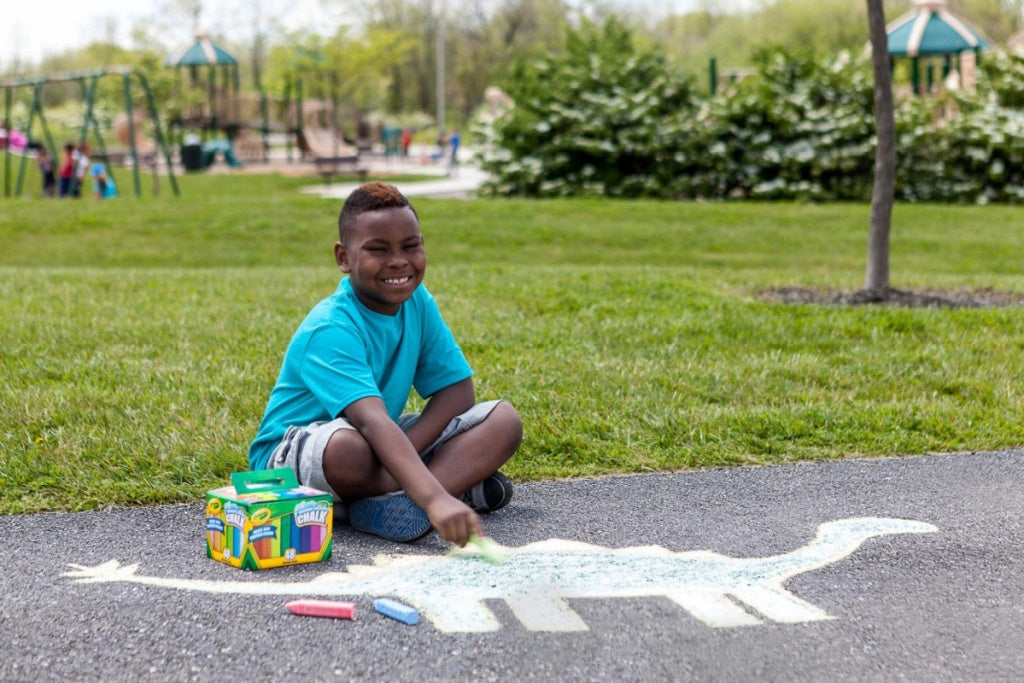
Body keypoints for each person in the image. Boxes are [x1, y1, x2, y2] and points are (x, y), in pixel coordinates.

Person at [248, 182, 522, 547]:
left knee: (503, 421)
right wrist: (435, 497)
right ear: (343, 258)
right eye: (378, 250)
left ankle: (393, 503)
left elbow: (457, 392)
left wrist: (406, 449)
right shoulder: (330, 326)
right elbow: (370, 421)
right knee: (350, 450)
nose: (398, 261)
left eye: (411, 246)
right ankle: (438, 490)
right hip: (296, 456)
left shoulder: (417, 301)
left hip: (380, 439)